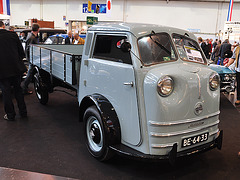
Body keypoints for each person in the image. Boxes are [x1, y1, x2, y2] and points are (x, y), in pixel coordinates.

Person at [0, 21, 27, 121]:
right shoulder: (13, 35)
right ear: (3, 26)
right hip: (16, 68)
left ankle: (10, 115)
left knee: (6, 92)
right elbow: (21, 53)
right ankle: (23, 112)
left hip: (2, 70)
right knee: (18, 90)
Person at [22, 23, 40, 94]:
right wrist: (30, 59)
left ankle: (24, 87)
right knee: (29, 73)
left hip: (33, 58)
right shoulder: (31, 38)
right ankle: (24, 88)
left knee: (30, 73)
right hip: (32, 59)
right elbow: (28, 50)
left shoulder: (31, 36)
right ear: (38, 29)